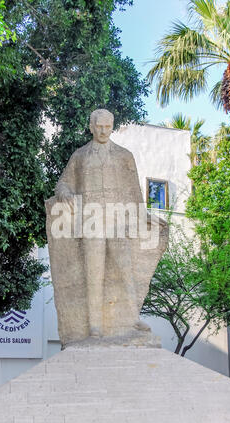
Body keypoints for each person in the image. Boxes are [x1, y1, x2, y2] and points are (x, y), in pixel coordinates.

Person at [46, 109, 169, 345]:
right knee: (94, 274)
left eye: (107, 126)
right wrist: (65, 194)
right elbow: (62, 183)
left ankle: (132, 318)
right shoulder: (80, 156)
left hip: (117, 221)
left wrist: (144, 215)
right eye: (99, 126)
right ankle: (94, 326)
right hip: (90, 223)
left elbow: (134, 190)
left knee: (126, 271)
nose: (103, 131)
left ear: (112, 127)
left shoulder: (124, 155)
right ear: (91, 127)